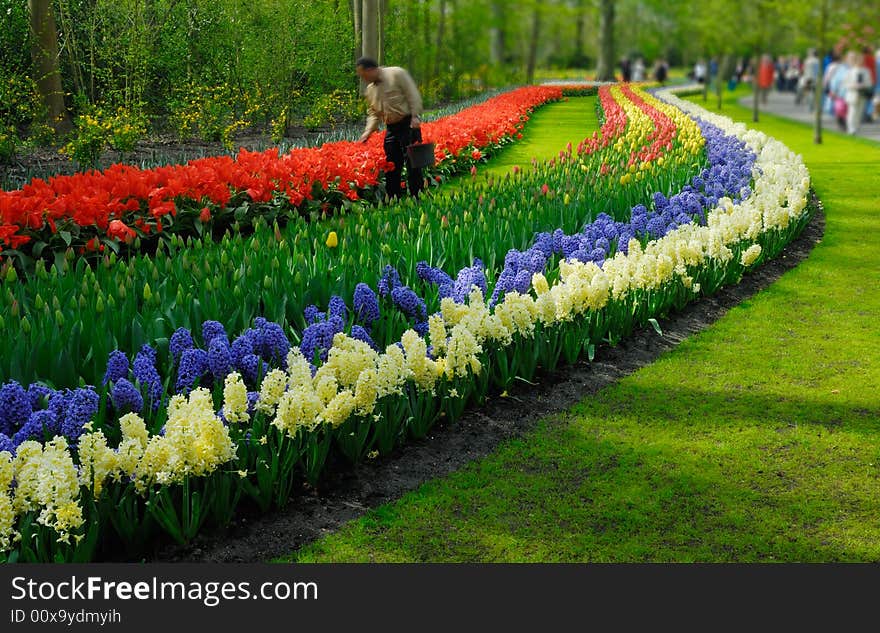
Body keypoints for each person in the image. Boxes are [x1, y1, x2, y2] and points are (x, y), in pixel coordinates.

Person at [356, 57, 424, 199]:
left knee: (414, 163)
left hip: (409, 123)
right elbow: (373, 113)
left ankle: (417, 196)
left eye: (364, 75)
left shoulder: (396, 74)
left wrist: (415, 116)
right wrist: (367, 133)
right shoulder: (370, 90)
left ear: (370, 70)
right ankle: (393, 198)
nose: (364, 79)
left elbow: (413, 95)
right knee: (391, 164)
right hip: (391, 128)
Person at [842, 50, 874, 134]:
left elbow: (870, 83)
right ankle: (851, 128)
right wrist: (853, 85)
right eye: (859, 59)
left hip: (862, 94)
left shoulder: (866, 71)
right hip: (853, 94)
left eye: (862, 59)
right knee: (852, 111)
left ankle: (855, 128)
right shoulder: (850, 71)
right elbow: (845, 83)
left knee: (859, 112)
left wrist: (864, 85)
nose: (861, 61)